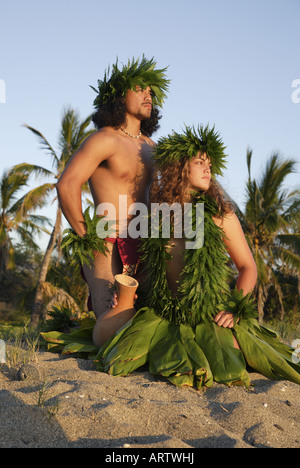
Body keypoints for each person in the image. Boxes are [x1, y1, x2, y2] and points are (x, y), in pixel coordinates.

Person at [44, 125, 300, 390]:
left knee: (231, 351)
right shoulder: (156, 217)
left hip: (205, 312)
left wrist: (235, 307)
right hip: (163, 311)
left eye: (209, 163)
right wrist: (127, 293)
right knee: (102, 336)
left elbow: (247, 267)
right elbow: (150, 270)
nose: (207, 169)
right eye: (199, 162)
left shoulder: (220, 214)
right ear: (179, 167)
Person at [56, 56, 170, 319]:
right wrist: (86, 237)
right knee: (114, 318)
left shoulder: (152, 147)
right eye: (140, 89)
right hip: (106, 241)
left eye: (151, 92)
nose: (147, 95)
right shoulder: (104, 139)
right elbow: (66, 185)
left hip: (145, 240)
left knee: (152, 319)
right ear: (119, 96)